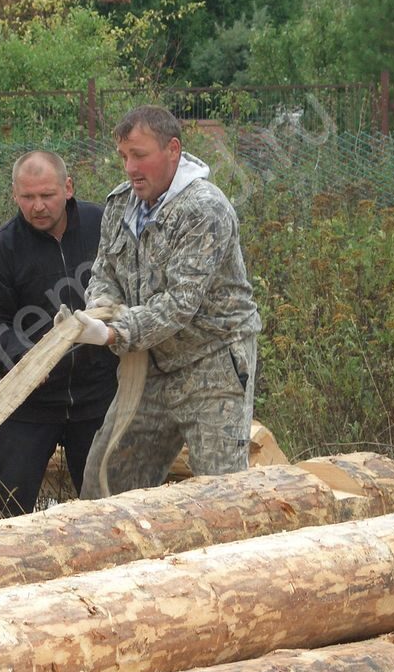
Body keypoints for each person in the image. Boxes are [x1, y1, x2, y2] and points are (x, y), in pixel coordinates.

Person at [71, 104, 262, 497]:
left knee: (221, 492)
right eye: (124, 156)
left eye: (139, 155)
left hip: (212, 363)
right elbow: (105, 271)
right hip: (150, 364)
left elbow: (179, 303)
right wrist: (99, 310)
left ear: (172, 149)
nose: (129, 167)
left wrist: (112, 333)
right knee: (106, 478)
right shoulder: (121, 204)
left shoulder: (204, 209)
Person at [0, 151, 119, 518]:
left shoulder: (104, 227)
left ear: (68, 188)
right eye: (27, 197)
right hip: (27, 402)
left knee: (110, 510)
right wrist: (22, 356)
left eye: (47, 195)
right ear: (15, 195)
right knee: (5, 513)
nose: (38, 206)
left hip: (98, 394)